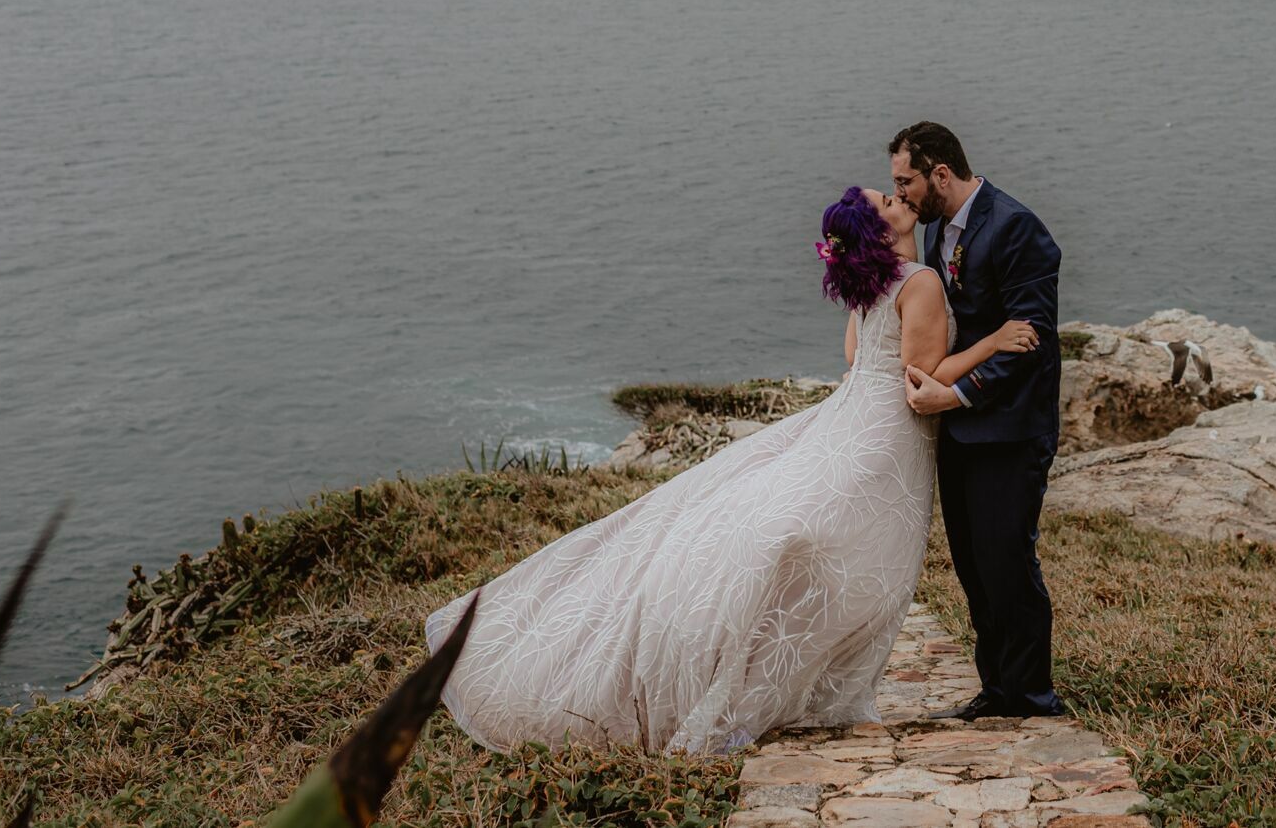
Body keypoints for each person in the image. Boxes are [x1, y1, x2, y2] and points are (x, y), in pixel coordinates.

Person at [423, 185, 1038, 753]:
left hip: (848, 413)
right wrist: (991, 342)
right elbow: (918, 377)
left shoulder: (873, 283)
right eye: (887, 197)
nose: (897, 194)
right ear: (882, 230)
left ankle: (780, 669)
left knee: (802, 531)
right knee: (857, 553)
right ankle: (794, 677)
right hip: (885, 431)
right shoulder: (921, 279)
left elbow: (854, 355)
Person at [890, 122, 1065, 719]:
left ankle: (1033, 696)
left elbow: (1030, 343)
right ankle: (997, 688)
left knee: (1008, 558)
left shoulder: (1018, 228)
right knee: (971, 560)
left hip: (1012, 428)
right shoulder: (938, 229)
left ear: (941, 172)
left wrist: (956, 395)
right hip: (960, 432)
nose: (903, 193)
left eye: (906, 180)